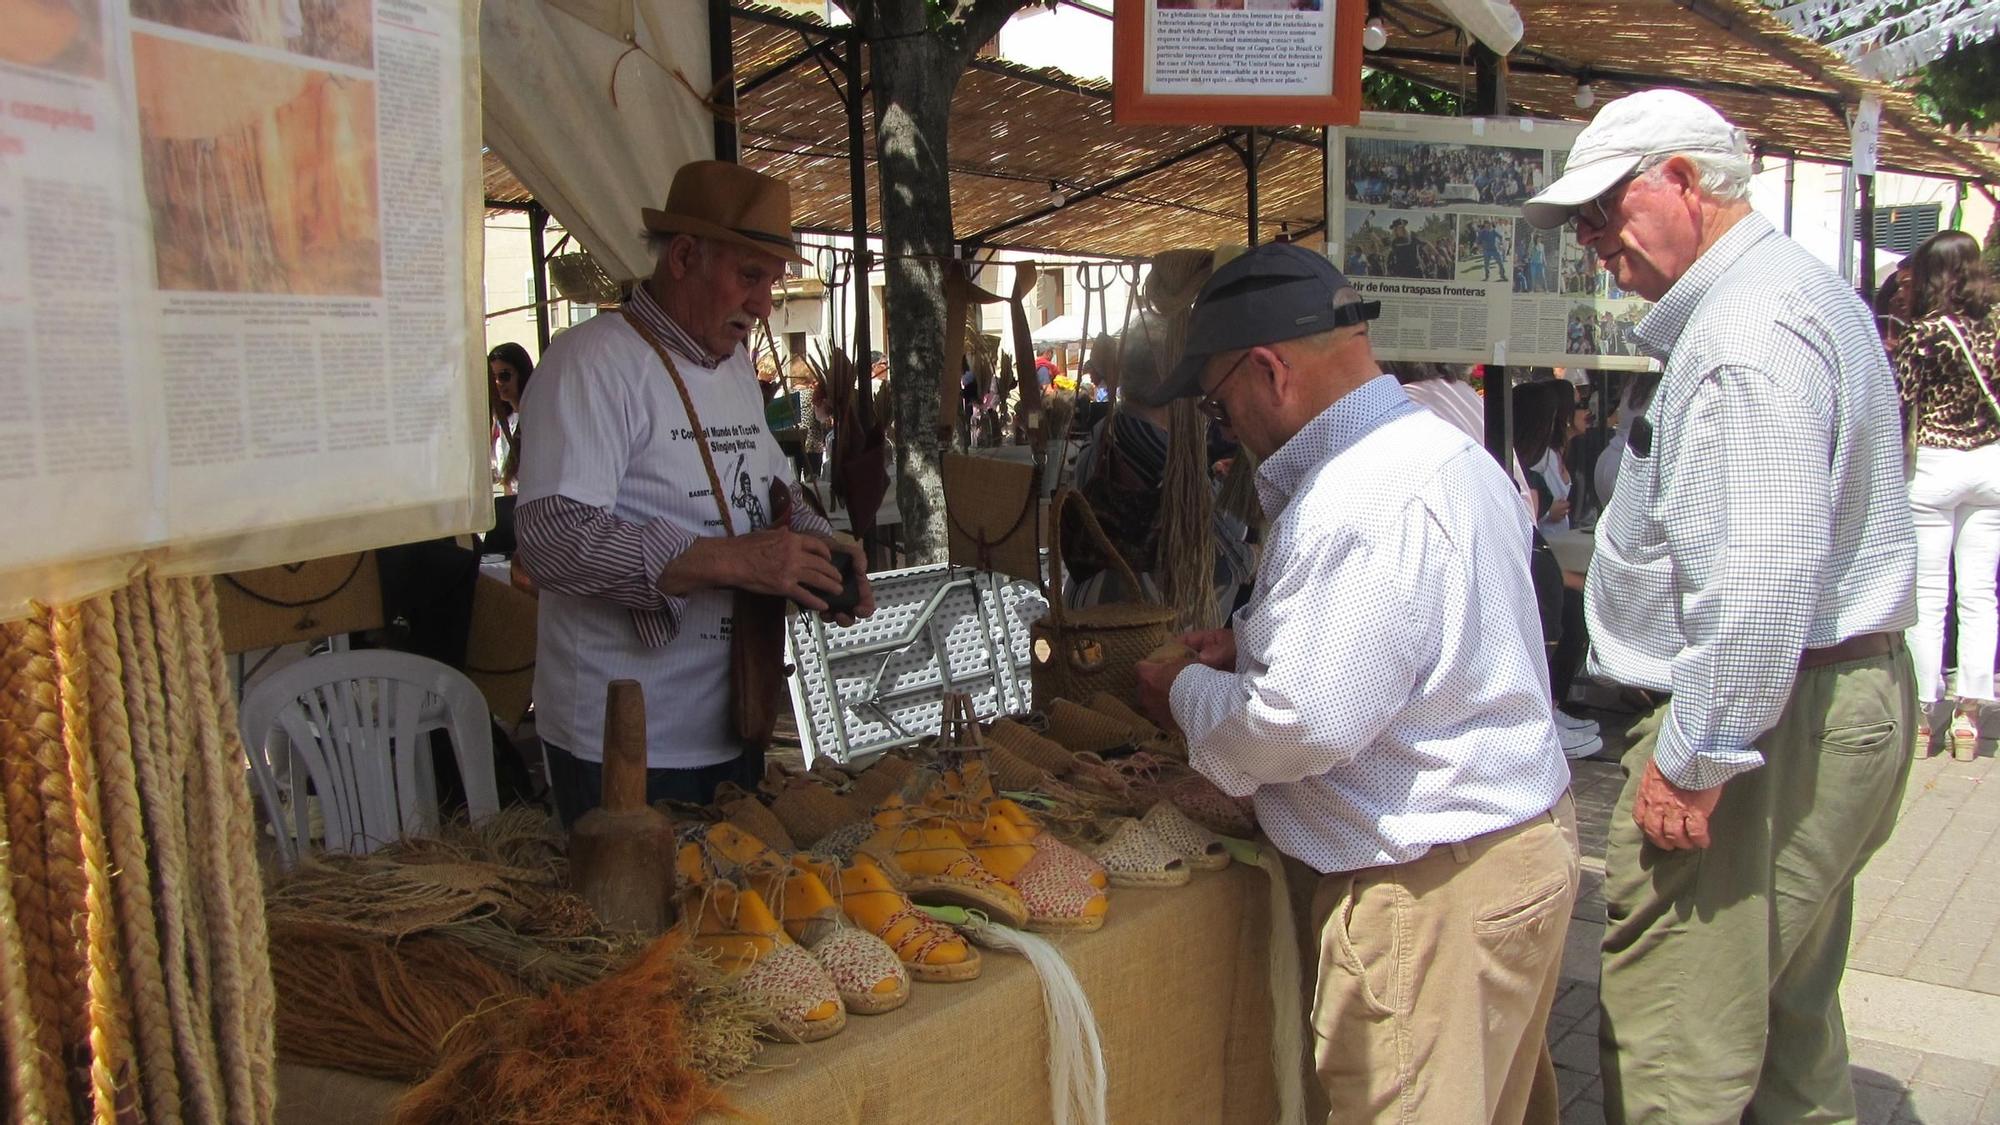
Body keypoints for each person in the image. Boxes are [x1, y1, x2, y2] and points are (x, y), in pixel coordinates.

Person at [1524, 89, 1917, 1123]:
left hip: (1774, 712)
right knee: (1786, 1030)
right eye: (1580, 225)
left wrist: (1695, 755)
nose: (1593, 243)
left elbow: (1758, 572)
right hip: (1814, 698)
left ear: (1684, 183)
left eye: (1603, 213)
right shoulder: (1781, 296)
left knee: (1675, 1048)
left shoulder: (1745, 333)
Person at [1130, 244, 1577, 1124]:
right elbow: (1416, 650)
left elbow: (1299, 721)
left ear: (1270, 371)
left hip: (1431, 890)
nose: (1228, 425)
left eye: (1224, 403)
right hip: (1508, 848)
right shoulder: (1441, 449)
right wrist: (1255, 642)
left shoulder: (1360, 496)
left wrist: (1180, 692)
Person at [515, 161, 876, 827]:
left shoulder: (735, 367)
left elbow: (770, 487)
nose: (765, 304)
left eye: (771, 281)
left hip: (732, 720)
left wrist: (821, 551)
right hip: (621, 743)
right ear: (684, 256)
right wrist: (734, 561)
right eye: (749, 276)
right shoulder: (592, 364)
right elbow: (550, 539)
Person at [1892, 229, 2000, 758]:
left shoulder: (1923, 333)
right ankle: (1970, 716)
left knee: (1928, 596)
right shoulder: (1997, 326)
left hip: (1935, 464)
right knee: (1980, 594)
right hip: (1991, 464)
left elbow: (1902, 404)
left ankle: (1921, 715)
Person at [489, 342, 534, 492]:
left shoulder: (536, 417)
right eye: (492, 377)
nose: (498, 383)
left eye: (504, 376)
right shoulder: (501, 421)